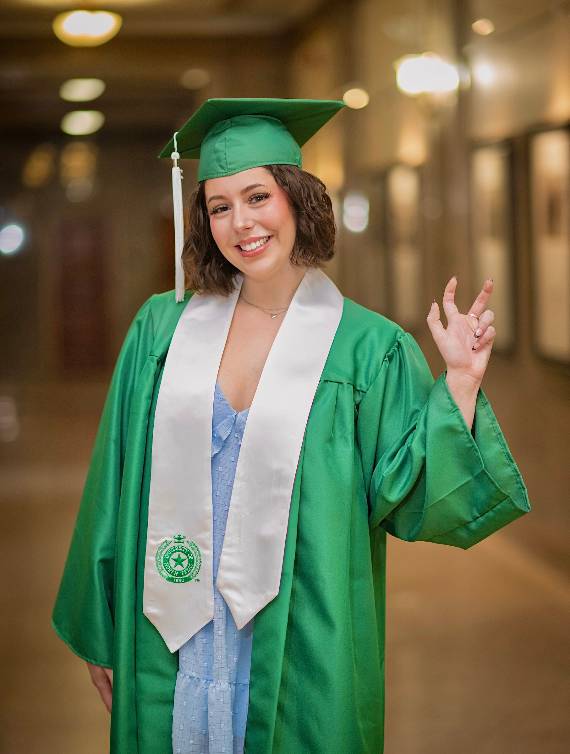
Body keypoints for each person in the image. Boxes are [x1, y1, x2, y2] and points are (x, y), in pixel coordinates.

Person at [52, 98, 531, 754]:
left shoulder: (368, 348)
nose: (240, 223)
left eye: (257, 197)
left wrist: (460, 382)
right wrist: (101, 626)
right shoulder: (160, 331)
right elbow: (114, 482)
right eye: (220, 206)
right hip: (172, 633)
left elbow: (412, 491)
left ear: (297, 199)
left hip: (300, 632)